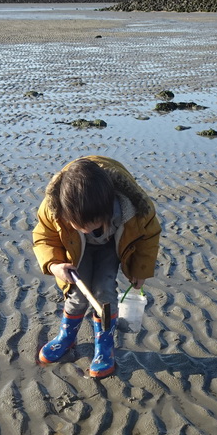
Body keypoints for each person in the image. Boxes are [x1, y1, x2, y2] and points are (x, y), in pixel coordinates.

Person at [33, 156, 161, 378]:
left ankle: (104, 348)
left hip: (110, 246)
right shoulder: (53, 208)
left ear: (107, 211)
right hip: (75, 249)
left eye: (91, 225)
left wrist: (140, 271)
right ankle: (66, 337)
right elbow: (44, 238)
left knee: (104, 293)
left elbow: (149, 237)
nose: (84, 229)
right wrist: (54, 265)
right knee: (78, 294)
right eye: (78, 225)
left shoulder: (136, 209)